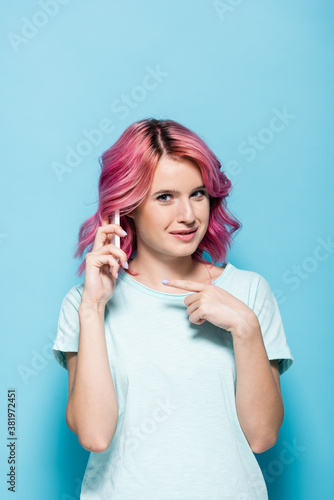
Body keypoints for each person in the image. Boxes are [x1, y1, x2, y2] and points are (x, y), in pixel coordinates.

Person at [52, 118, 294, 499]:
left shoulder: (248, 291)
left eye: (197, 194)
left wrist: (246, 327)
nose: (188, 215)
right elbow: (95, 435)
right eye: (164, 197)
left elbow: (262, 437)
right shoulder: (85, 303)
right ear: (126, 207)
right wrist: (93, 309)